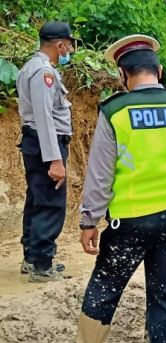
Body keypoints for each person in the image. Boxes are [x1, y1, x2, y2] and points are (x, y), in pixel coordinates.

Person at [53, 35, 166, 343]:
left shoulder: (116, 110)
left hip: (129, 223)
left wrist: (89, 221)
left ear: (122, 74)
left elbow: (101, 174)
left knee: (106, 285)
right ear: (159, 70)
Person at [16, 21, 77, 282]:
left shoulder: (31, 67)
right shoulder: (44, 73)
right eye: (70, 44)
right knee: (49, 204)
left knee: (37, 199)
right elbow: (45, 117)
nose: (71, 49)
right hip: (45, 143)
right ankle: (41, 265)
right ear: (60, 44)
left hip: (35, 141)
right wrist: (55, 159)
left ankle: (32, 259)